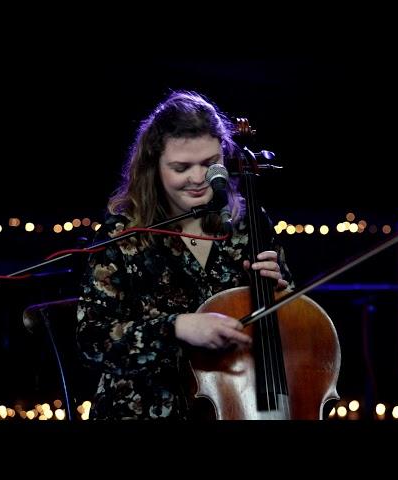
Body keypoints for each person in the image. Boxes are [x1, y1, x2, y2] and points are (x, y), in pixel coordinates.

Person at [76, 90, 294, 420]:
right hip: (144, 411)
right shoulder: (121, 234)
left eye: (209, 164)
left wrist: (279, 291)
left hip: (236, 405)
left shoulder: (248, 223)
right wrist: (176, 328)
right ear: (154, 167)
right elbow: (92, 342)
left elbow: (291, 320)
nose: (197, 179)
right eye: (181, 168)